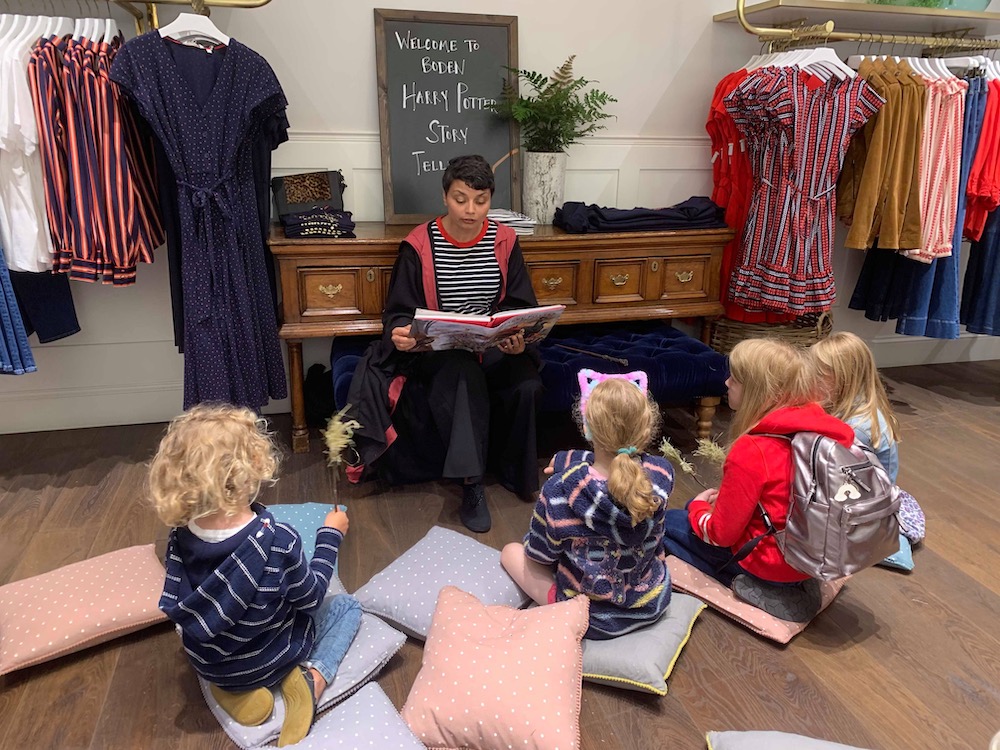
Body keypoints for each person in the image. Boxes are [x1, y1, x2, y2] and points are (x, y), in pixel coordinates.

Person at [344, 154, 543, 533]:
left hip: (491, 344)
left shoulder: (505, 240)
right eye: (460, 198)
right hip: (442, 352)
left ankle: (518, 474)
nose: (470, 210)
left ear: (491, 199)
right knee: (461, 372)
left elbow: (520, 304)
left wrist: (518, 339)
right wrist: (401, 333)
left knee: (527, 382)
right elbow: (399, 312)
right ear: (445, 197)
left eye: (480, 200)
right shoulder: (419, 244)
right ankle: (472, 485)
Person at [148, 404, 362, 747]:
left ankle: (231, 691)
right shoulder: (278, 539)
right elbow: (311, 598)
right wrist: (329, 538)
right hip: (276, 653)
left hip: (212, 663)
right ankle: (312, 680)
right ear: (252, 469)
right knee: (347, 608)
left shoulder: (179, 536)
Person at [661, 338, 855, 622]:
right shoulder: (830, 431)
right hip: (815, 552)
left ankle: (764, 587)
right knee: (696, 507)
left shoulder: (753, 449)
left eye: (735, 380)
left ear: (757, 391)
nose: (726, 383)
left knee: (668, 523)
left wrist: (700, 509)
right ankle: (797, 583)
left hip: (771, 561)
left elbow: (720, 535)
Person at [501, 372, 675, 639]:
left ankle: (561, 609)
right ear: (646, 429)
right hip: (650, 602)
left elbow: (540, 556)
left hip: (590, 617)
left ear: (587, 428)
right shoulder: (661, 475)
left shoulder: (559, 490)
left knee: (512, 552)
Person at [810, 332, 899, 483]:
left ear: (842, 378)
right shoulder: (850, 407)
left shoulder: (857, 428)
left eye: (818, 374)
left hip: (867, 500)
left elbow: (835, 477)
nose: (811, 379)